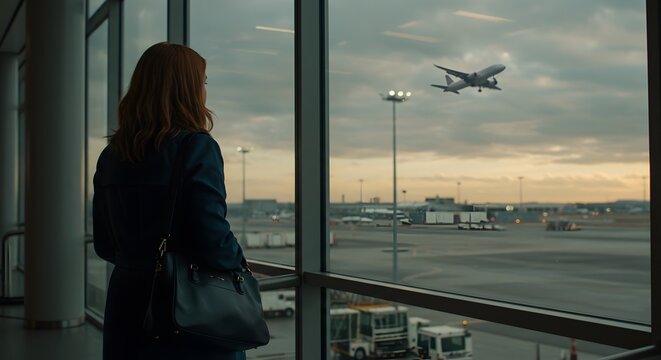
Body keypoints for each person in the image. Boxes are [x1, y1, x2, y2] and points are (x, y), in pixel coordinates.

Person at [93, 42, 247, 360]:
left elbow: (105, 245)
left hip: (126, 302)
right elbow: (213, 238)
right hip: (182, 308)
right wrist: (239, 266)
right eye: (202, 82)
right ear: (187, 89)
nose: (205, 91)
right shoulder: (196, 147)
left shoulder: (111, 155)